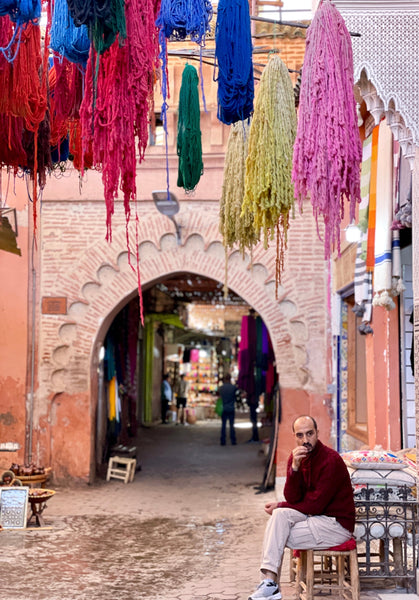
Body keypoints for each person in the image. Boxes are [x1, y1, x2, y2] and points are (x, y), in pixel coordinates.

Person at [248, 415, 355, 600]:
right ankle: (269, 583)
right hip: (315, 518)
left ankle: (270, 586)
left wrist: (281, 504)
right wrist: (295, 468)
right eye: (300, 435)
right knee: (279, 517)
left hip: (336, 525)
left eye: (310, 434)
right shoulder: (296, 457)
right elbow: (293, 497)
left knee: (276, 534)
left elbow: (315, 504)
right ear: (294, 437)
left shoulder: (331, 460)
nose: (305, 440)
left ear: (317, 433)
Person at [218, 374, 238, 446]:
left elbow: (219, 396)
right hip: (231, 408)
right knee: (231, 425)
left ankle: (223, 441)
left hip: (224, 408)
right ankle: (233, 440)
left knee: (223, 425)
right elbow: (236, 396)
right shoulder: (233, 388)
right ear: (230, 379)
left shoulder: (221, 388)